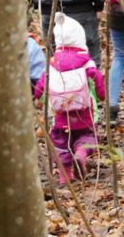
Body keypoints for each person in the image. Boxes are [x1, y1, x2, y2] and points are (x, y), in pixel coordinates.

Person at [34, 13, 106, 185]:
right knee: (88, 136)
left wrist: (39, 98)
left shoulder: (52, 64)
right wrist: (102, 97)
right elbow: (99, 84)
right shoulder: (86, 62)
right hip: (84, 113)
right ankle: (81, 153)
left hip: (60, 116)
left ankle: (64, 176)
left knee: (60, 142)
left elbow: (40, 87)